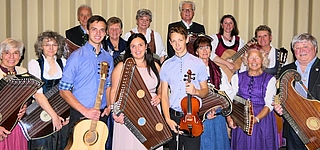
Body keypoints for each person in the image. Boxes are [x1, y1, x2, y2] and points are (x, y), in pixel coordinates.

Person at [59, 15, 114, 150]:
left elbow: (108, 85)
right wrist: (85, 111)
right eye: (94, 29)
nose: (98, 33)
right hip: (80, 113)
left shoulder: (108, 57)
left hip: (101, 115)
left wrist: (109, 106)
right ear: (87, 31)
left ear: (106, 33)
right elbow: (63, 90)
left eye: (102, 30)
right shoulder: (76, 56)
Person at [111, 33, 162, 150]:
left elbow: (162, 90)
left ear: (146, 46)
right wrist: (116, 112)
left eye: (140, 45)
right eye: (133, 46)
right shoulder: (122, 66)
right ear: (129, 48)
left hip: (152, 113)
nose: (137, 49)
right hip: (129, 112)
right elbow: (113, 91)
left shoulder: (155, 66)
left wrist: (158, 96)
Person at [160, 26, 208, 150]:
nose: (177, 44)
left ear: (186, 39)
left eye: (180, 40)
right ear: (170, 43)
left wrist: (195, 91)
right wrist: (168, 119)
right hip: (174, 116)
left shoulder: (198, 63)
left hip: (193, 117)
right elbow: (164, 95)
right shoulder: (166, 65)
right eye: (174, 41)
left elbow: (205, 91)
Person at [227, 44, 279, 149]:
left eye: (257, 58)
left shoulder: (270, 79)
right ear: (246, 60)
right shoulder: (237, 77)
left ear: (263, 60)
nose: (254, 61)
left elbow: (269, 104)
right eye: (251, 57)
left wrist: (256, 119)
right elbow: (229, 100)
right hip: (241, 119)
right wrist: (229, 119)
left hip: (262, 120)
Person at [274, 33, 320, 150]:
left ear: (315, 48)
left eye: (305, 46)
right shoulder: (286, 70)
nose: (301, 50)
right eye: (297, 47)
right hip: (294, 127)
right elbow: (280, 95)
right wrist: (279, 106)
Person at [27, 31, 69, 150]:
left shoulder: (64, 63)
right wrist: (54, 116)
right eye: (47, 44)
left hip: (62, 113)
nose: (51, 48)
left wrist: (67, 115)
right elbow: (38, 95)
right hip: (41, 115)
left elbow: (69, 91)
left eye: (54, 44)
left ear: (58, 46)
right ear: (41, 46)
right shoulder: (35, 64)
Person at [193, 36, 234, 150]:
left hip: (218, 114)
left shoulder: (218, 70)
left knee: (219, 144)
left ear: (211, 50)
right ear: (196, 51)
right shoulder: (192, 70)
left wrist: (219, 106)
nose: (205, 51)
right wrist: (204, 112)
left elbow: (227, 92)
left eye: (207, 47)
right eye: (201, 48)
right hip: (201, 114)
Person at [0, 38, 28, 150]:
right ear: (1, 55)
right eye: (7, 53)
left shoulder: (23, 72)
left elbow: (28, 94)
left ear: (20, 56)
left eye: (16, 53)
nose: (11, 57)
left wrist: (25, 104)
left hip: (18, 126)